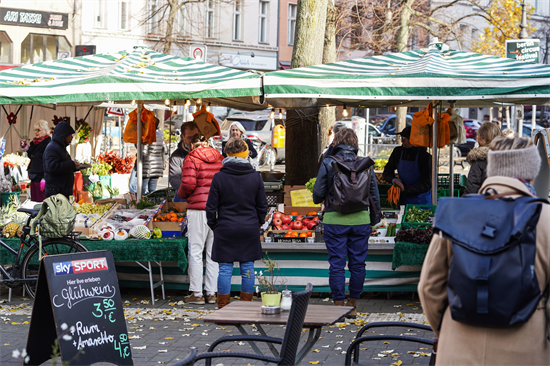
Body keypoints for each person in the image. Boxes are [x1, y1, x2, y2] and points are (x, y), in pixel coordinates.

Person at [418, 136, 549, 365]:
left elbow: (429, 287)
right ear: (532, 172)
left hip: (458, 350)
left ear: (493, 169)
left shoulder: (456, 213)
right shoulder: (546, 218)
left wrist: (447, 330)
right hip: (525, 351)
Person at [312, 128, 381, 318]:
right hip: (361, 221)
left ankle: (338, 305)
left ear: (336, 142)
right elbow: (374, 195)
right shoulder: (366, 164)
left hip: (334, 221)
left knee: (337, 264)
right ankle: (353, 305)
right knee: (358, 265)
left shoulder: (328, 162)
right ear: (355, 144)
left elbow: (317, 196)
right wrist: (374, 220)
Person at [206, 138, 268, 309]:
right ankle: (246, 307)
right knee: (247, 268)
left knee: (225, 269)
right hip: (249, 228)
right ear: (246, 154)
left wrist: (215, 225)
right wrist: (258, 223)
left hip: (225, 228)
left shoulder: (219, 177)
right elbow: (263, 206)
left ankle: (223, 307)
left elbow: (211, 207)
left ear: (226, 154)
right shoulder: (255, 177)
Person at [177, 134, 223, 305]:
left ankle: (197, 293)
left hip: (198, 209)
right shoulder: (220, 157)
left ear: (191, 145)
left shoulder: (191, 158)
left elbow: (188, 184)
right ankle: (211, 293)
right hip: (218, 209)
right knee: (213, 252)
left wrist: (180, 194)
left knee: (196, 251)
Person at [382, 126, 432, 204]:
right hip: (403, 199)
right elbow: (387, 171)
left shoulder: (425, 157)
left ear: (414, 139)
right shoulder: (397, 152)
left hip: (421, 200)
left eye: (405, 139)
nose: (402, 141)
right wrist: (394, 180)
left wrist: (405, 189)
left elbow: (427, 184)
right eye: (401, 138)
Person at [43, 121, 83, 199]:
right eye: (70, 135)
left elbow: (62, 165)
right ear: (63, 135)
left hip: (61, 191)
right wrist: (71, 164)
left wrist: (74, 166)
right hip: (56, 192)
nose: (72, 137)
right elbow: (51, 167)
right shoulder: (53, 147)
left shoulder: (60, 147)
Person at [129, 118, 166, 195]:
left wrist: (138, 147)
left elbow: (144, 153)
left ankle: (143, 204)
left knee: (142, 189)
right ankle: (152, 204)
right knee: (152, 190)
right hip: (158, 167)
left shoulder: (146, 136)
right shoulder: (160, 136)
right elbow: (166, 151)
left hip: (146, 166)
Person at [464, 122, 502, 194]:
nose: (477, 139)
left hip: (484, 202)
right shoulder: (507, 157)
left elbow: (472, 188)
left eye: (478, 136)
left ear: (483, 139)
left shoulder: (479, 160)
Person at [169, 122, 199, 202]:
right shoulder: (176, 156)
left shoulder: (205, 153)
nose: (193, 141)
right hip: (183, 198)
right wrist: (188, 191)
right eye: (189, 138)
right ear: (182, 137)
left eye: (195, 137)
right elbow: (174, 178)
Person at [25, 120, 51, 202]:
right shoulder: (35, 143)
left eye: (38, 130)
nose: (36, 132)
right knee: (34, 200)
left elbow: (48, 161)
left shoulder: (48, 143)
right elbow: (32, 156)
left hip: (41, 176)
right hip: (34, 175)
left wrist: (45, 178)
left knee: (41, 201)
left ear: (45, 131)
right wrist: (26, 148)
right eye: (35, 130)